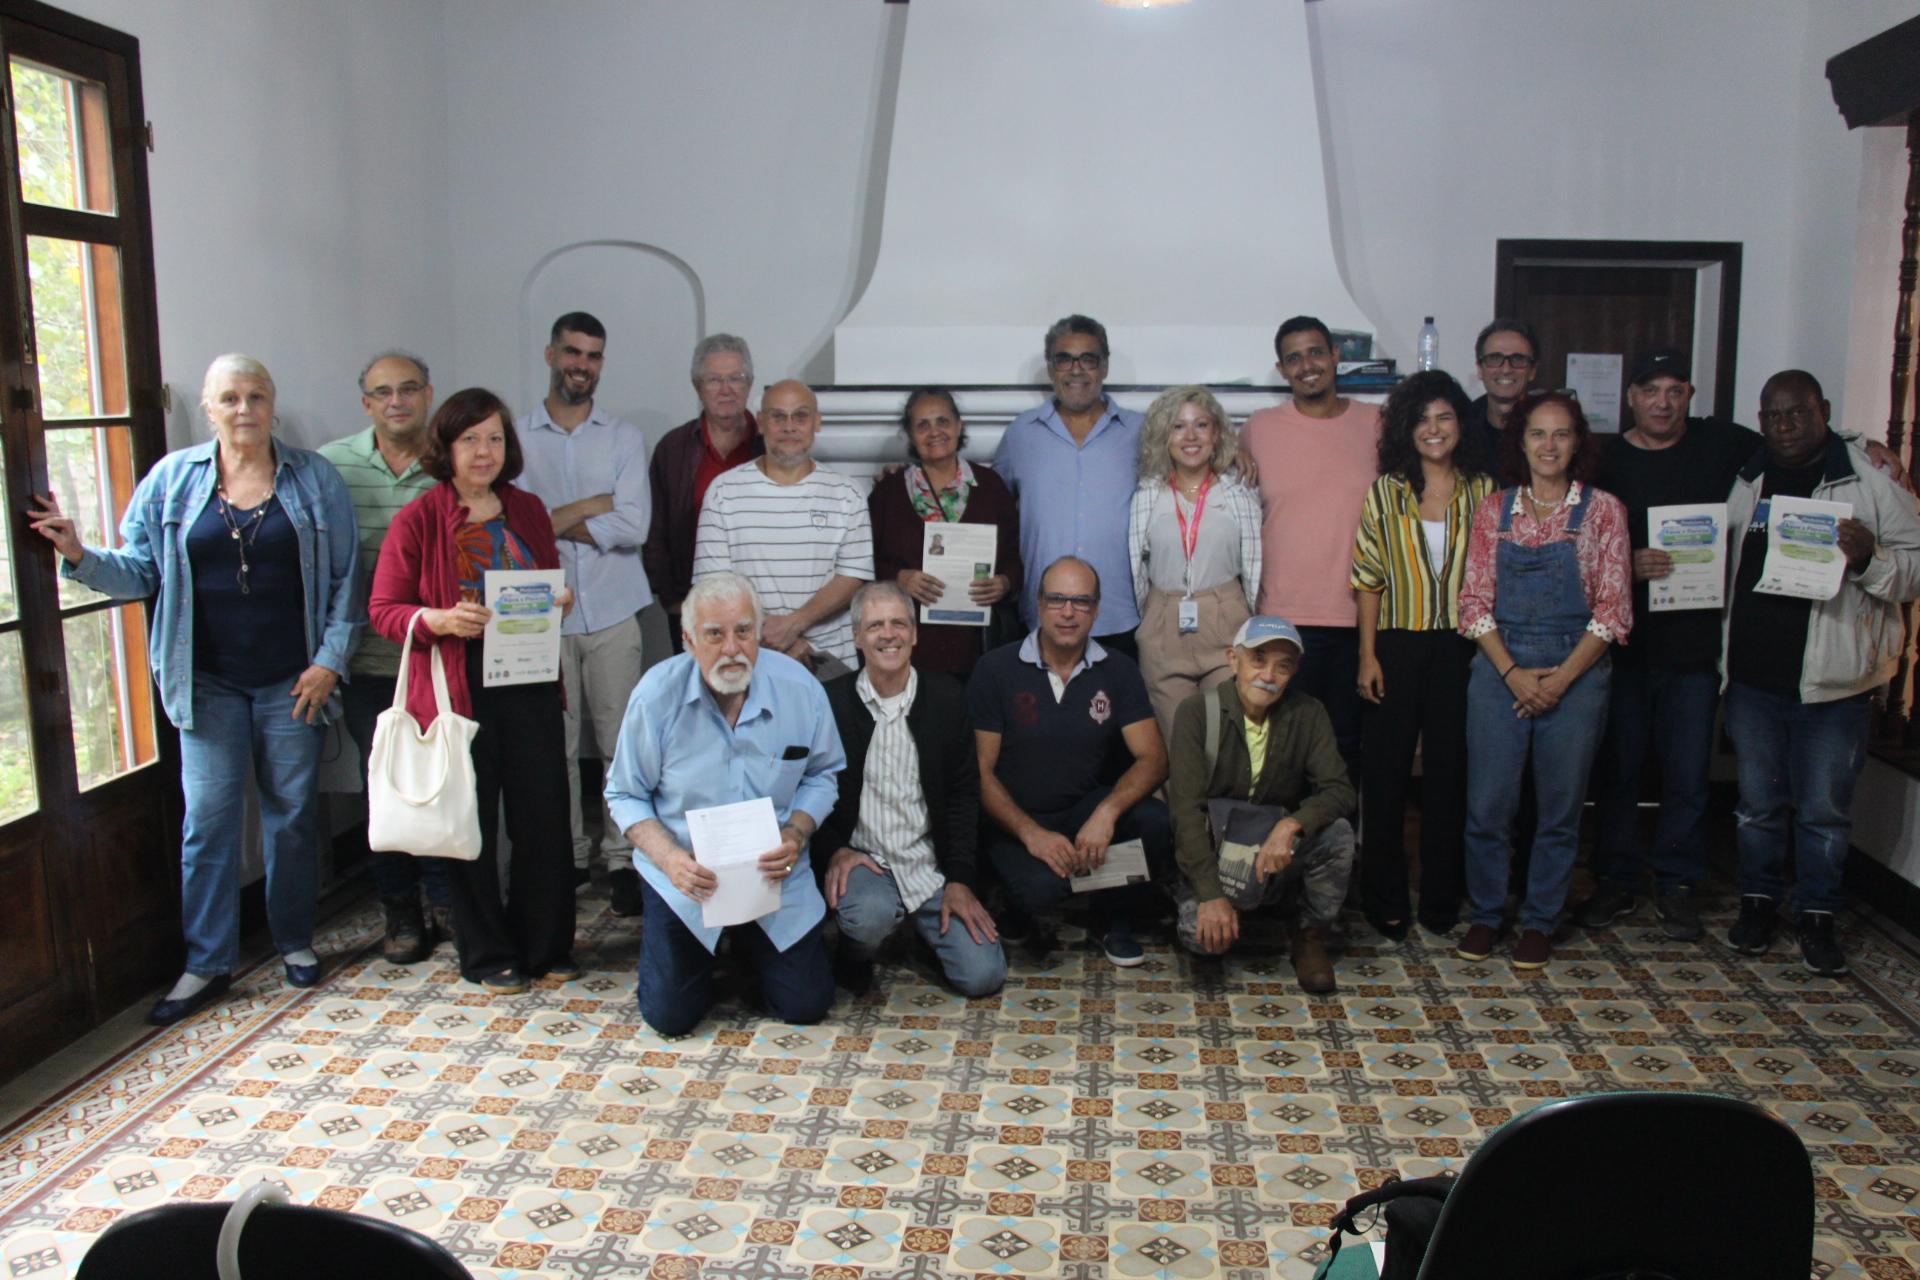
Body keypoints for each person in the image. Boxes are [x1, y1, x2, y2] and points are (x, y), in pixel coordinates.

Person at [30, 355, 359, 1024]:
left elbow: (347, 580)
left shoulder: (314, 479)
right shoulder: (171, 481)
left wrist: (329, 662)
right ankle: (207, 962)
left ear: (273, 404)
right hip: (205, 684)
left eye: (256, 396)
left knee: (293, 819)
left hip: (293, 683)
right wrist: (79, 555)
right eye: (230, 398)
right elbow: (139, 571)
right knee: (207, 825)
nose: (245, 409)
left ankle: (294, 939)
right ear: (209, 409)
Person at [368, 388, 578, 995]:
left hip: (531, 681)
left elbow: (546, 585)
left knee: (544, 819)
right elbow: (383, 610)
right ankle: (487, 955)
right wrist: (437, 620)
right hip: (460, 691)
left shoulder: (528, 509)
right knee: (470, 826)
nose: (484, 452)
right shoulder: (419, 518)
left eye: (494, 439)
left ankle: (546, 946)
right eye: (470, 439)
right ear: (447, 446)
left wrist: (560, 601)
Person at [1721, 370, 1920, 976]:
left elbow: (1914, 568)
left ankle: (1817, 917)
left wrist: (1868, 559)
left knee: (1823, 812)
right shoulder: (1748, 474)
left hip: (1833, 685)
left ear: (1824, 411)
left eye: (1797, 413)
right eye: (1773, 415)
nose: (1784, 426)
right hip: (1753, 679)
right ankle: (1758, 905)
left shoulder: (1869, 480)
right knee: (1757, 806)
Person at [604, 572, 844, 1034]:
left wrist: (796, 832)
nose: (732, 648)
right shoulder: (656, 697)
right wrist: (670, 860)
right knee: (670, 1017)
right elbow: (624, 793)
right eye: (714, 634)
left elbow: (823, 774)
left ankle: (750, 950)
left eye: (744, 631)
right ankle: (702, 955)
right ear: (689, 641)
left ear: (759, 632)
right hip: (687, 880)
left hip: (774, 877)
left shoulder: (800, 688)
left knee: (806, 1004)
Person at [1580, 350, 1757, 940]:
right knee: (1619, 772)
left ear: (1689, 395)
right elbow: (1578, 546)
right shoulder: (1603, 460)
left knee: (1687, 778)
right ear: (1630, 396)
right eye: (1650, 390)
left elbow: (1795, 439)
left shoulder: (1720, 445)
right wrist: (1623, 566)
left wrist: (1866, 445)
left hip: (1694, 650)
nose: (1663, 402)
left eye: (1674, 390)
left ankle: (1678, 883)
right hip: (1623, 649)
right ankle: (1616, 880)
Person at [1456, 391, 1631, 970]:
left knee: (1559, 809)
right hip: (1500, 666)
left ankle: (1539, 921)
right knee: (1488, 805)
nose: (1549, 445)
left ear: (1577, 442)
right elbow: (1472, 602)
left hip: (1576, 668)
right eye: (1537, 433)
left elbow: (1613, 610)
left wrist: (1559, 682)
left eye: (1561, 434)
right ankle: (1487, 914)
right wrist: (1512, 674)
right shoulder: (1494, 509)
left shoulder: (1604, 511)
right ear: (1521, 442)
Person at [515, 312, 654, 913]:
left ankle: (622, 858)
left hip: (615, 608)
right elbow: (520, 529)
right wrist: (592, 504)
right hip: (538, 615)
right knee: (557, 744)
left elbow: (635, 526)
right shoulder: (514, 438)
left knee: (622, 741)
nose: (582, 365)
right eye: (573, 352)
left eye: (593, 355)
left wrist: (553, 519)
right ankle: (568, 855)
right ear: (551, 355)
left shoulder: (623, 437)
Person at [969, 556, 1171, 967]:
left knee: (1156, 822)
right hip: (1014, 818)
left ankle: (1111, 915)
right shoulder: (996, 668)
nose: (1067, 612)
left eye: (1081, 602)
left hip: (1081, 810)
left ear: (1096, 610)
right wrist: (1031, 834)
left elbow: (1153, 758)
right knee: (1042, 890)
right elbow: (980, 772)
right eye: (1057, 599)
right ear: (1039, 604)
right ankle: (1015, 907)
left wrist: (1106, 813)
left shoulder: (1117, 669)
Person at [1351, 371, 1494, 940]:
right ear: (1406, 430)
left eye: (1444, 417)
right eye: (1421, 420)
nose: (1433, 429)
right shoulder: (1386, 491)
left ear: (1461, 424)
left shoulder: (1485, 490)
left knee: (1450, 774)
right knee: (1384, 774)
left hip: (1464, 646)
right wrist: (1367, 655)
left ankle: (1440, 898)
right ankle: (1384, 898)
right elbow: (1368, 578)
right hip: (1396, 643)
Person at [318, 350, 450, 962]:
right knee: (387, 790)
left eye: (409, 389)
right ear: (366, 403)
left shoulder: (451, 461)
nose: (397, 401)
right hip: (369, 659)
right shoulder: (332, 466)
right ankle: (400, 910)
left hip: (442, 660)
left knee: (446, 782)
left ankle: (448, 901)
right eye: (383, 392)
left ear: (428, 394)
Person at [817, 582, 1006, 997]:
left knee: (983, 976)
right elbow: (812, 790)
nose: (889, 635)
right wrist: (835, 850)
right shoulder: (829, 703)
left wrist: (960, 879)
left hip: (928, 866)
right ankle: (854, 952)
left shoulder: (948, 698)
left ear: (915, 633)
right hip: (865, 863)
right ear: (856, 636)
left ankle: (921, 936)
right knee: (869, 917)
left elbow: (963, 796)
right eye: (875, 626)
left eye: (899, 624)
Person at [1166, 617, 1354, 991]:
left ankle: (1309, 935)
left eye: (1283, 666)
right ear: (1233, 659)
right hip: (1216, 854)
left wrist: (1291, 825)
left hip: (1271, 850)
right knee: (1200, 938)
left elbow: (1339, 789)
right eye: (1258, 659)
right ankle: (1224, 905)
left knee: (1339, 834)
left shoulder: (1308, 713)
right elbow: (1186, 812)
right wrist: (1211, 895)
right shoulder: (1196, 712)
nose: (1268, 675)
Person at [1242, 315, 1382, 771]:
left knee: (1347, 746)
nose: (1307, 365)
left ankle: (1341, 821)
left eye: (1316, 352)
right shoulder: (1258, 429)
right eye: (1294, 358)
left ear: (1336, 356)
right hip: (1282, 619)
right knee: (1283, 746)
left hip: (1358, 616)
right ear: (1282, 369)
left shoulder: (1376, 423)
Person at [692, 380, 873, 678]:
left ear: (816, 422)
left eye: (800, 416)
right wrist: (770, 636)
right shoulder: (723, 491)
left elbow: (853, 577)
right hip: (747, 659)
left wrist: (795, 623)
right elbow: (713, 585)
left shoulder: (847, 493)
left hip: (829, 662)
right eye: (778, 416)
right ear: (761, 422)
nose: (789, 427)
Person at [991, 315, 1146, 658]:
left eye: (1088, 359)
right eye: (1064, 359)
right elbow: (987, 503)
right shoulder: (1021, 434)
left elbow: (1189, 474)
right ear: (1051, 368)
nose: (1076, 370)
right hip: (1042, 615)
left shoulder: (1141, 432)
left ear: (1104, 367)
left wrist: (1232, 454)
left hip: (1120, 613)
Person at [1126, 384, 1262, 743]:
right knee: (1178, 744)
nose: (1190, 436)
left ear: (1216, 434)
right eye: (1178, 426)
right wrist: (1152, 618)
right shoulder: (1147, 494)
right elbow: (1137, 568)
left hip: (1225, 619)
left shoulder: (1239, 492)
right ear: (1164, 436)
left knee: (1225, 740)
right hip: (1163, 622)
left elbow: (1254, 567)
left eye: (1201, 425)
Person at [868, 388, 1021, 675]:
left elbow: (1015, 557)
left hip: (977, 646)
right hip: (907, 644)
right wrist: (898, 578)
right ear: (910, 434)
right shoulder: (888, 494)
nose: (934, 432)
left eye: (943, 421)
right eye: (922, 425)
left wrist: (1004, 582)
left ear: (959, 426)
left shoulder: (991, 487)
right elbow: (864, 562)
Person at [644, 334, 763, 654]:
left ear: (750, 384)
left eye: (736, 378)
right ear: (697, 386)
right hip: (692, 607)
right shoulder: (673, 448)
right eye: (714, 380)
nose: (726, 389)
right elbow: (655, 529)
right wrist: (672, 600)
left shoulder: (769, 444)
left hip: (762, 608)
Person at [1466, 319, 1540, 461]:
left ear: (1533, 371)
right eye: (1495, 359)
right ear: (1480, 369)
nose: (1506, 369)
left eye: (1518, 359)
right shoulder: (1462, 424)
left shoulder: (1549, 427)